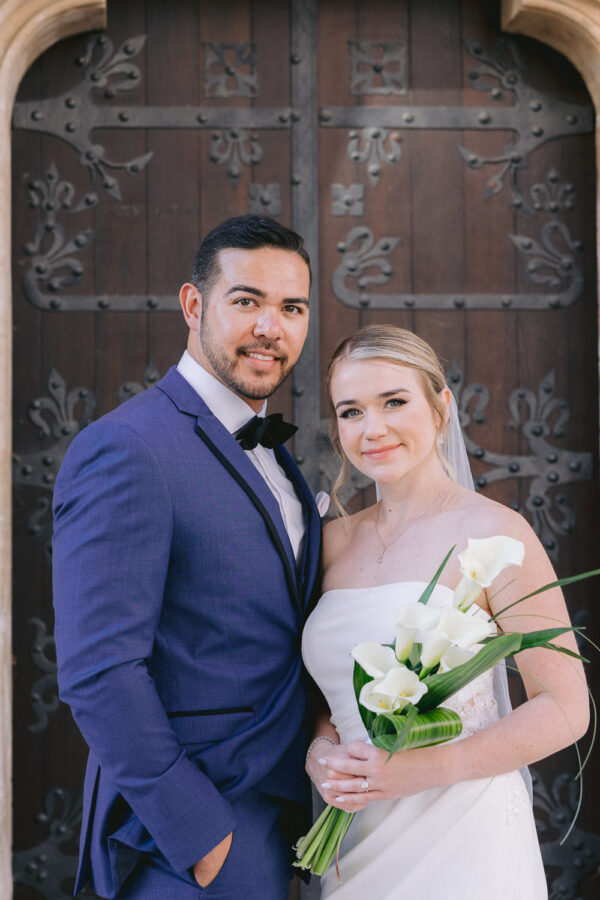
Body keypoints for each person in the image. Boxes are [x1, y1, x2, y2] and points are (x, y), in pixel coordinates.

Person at [52, 215, 323, 900]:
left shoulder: (276, 456)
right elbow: (98, 669)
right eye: (246, 300)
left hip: (281, 821)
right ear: (193, 305)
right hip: (189, 841)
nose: (270, 327)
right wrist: (201, 836)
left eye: (292, 308)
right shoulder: (128, 447)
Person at [302, 324, 589, 899]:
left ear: (441, 407)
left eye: (394, 402)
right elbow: (327, 698)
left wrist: (420, 771)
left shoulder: (496, 533)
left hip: (465, 834)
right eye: (351, 411)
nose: (372, 428)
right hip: (357, 839)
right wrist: (320, 755)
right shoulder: (331, 542)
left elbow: (565, 708)